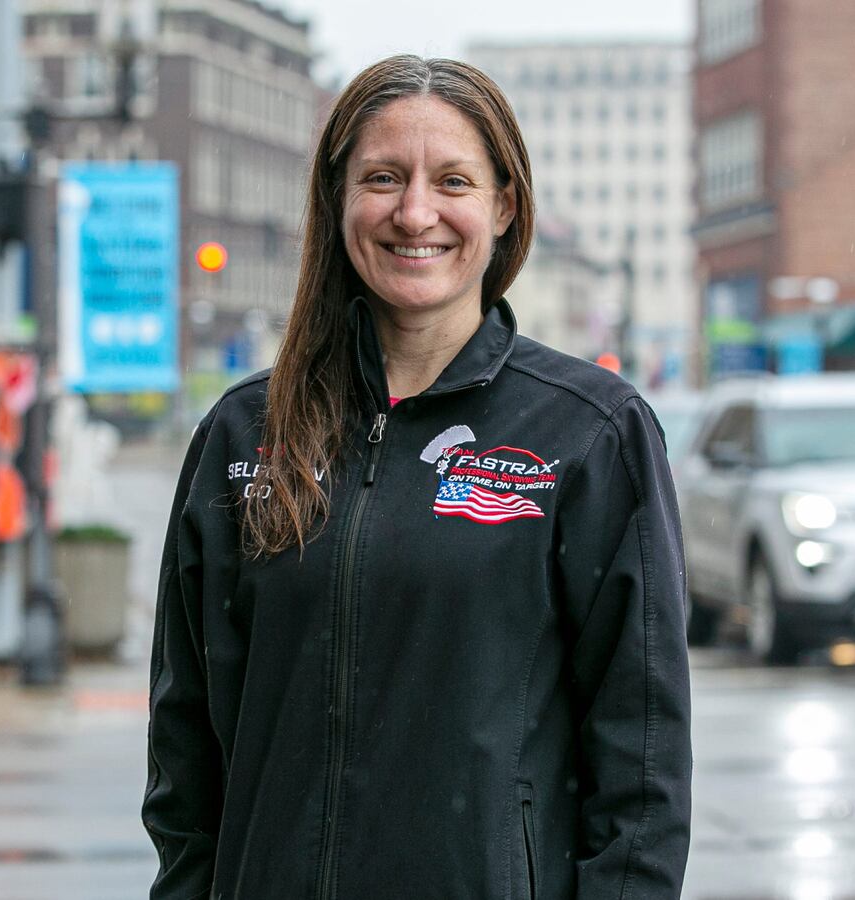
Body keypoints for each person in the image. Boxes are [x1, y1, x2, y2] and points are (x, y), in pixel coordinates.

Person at [144, 55, 692, 899]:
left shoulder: (588, 433)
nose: (415, 212)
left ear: (504, 207)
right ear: (337, 200)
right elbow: (185, 753)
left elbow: (642, 762)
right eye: (383, 178)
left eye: (454, 181)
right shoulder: (245, 433)